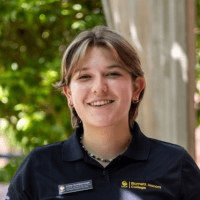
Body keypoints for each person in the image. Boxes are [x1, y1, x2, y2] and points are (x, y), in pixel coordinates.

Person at [6, 26, 200, 200]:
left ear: (137, 87)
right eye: (85, 77)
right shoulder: (39, 166)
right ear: (69, 94)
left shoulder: (175, 164)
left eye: (112, 74)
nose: (99, 88)